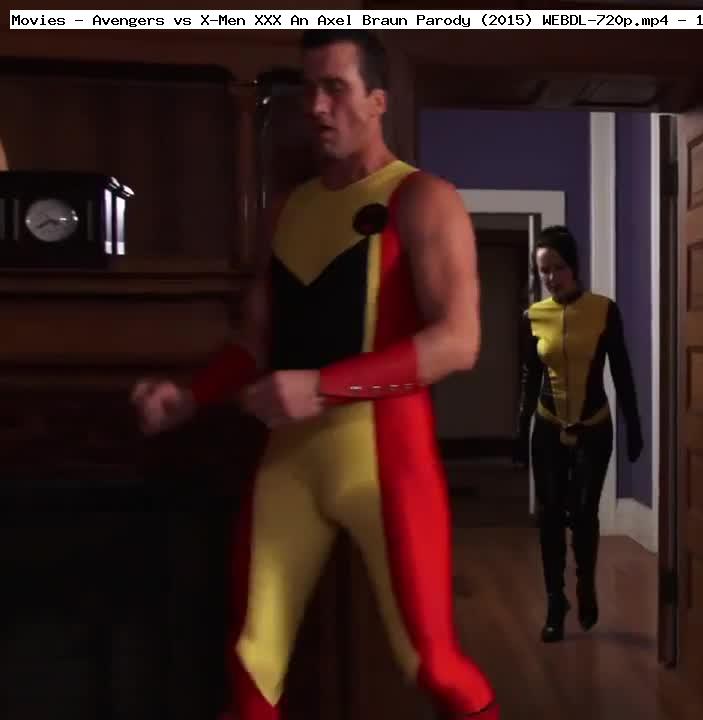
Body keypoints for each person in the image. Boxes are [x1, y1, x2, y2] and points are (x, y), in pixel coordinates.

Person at [129, 29, 498, 720]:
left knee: (434, 666)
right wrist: (190, 395)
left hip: (384, 459)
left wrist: (323, 386)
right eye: (309, 90)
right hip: (291, 462)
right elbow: (256, 342)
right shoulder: (289, 209)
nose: (318, 107)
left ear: (378, 100)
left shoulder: (422, 198)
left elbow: (459, 343)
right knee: (251, 664)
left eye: (336, 89)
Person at [514, 225, 644, 643]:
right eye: (543, 271)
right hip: (548, 426)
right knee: (550, 515)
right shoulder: (533, 317)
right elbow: (528, 380)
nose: (551, 278)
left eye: (558, 268)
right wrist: (520, 431)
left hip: (594, 427)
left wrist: (634, 425)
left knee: (584, 513)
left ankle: (585, 584)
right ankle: (556, 602)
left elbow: (622, 371)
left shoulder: (604, 310)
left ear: (574, 266)